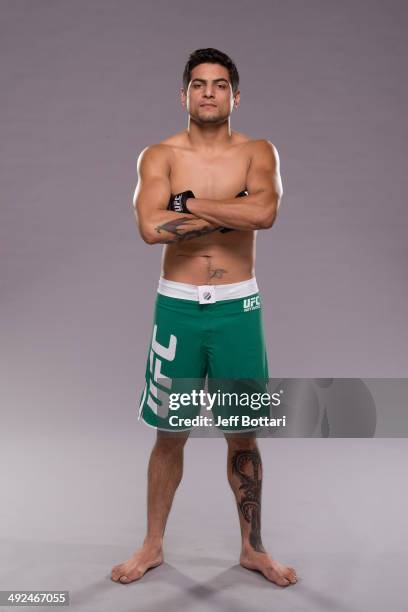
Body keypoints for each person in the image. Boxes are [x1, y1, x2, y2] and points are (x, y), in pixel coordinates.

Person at [111, 48, 298, 587]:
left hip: (239, 307)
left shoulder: (259, 151)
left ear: (235, 96)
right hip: (178, 308)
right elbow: (149, 228)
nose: (209, 92)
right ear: (184, 94)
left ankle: (252, 549)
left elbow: (264, 213)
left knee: (243, 435)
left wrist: (187, 205)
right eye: (198, 84)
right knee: (170, 433)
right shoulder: (160, 156)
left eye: (219, 85)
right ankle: (152, 545)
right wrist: (226, 207)